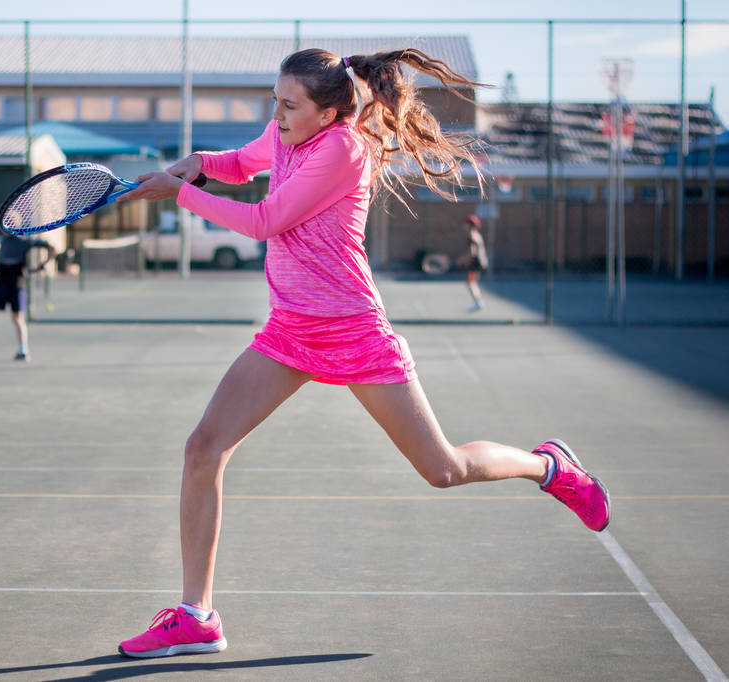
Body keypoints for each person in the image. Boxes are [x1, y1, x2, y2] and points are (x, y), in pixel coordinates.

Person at [113, 48, 610, 659]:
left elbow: (267, 220)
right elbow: (244, 161)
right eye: (276, 100)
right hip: (290, 329)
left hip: (352, 328)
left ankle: (552, 468)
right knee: (204, 448)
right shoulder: (289, 131)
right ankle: (196, 616)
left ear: (328, 111)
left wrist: (179, 194)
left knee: (443, 469)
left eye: (290, 105)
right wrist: (198, 165)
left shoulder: (344, 150)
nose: (279, 113)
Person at [0, 234, 53, 363]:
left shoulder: (24, 241)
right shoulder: (5, 241)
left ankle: (22, 350)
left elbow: (51, 248)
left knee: (16, 318)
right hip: (4, 281)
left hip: (15, 282)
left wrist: (42, 265)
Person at [455, 214, 488, 312]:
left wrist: (461, 260)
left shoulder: (472, 236)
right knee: (471, 283)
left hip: (476, 264)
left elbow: (472, 253)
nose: (464, 226)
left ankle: (478, 302)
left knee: (471, 283)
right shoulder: (476, 234)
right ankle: (478, 302)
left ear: (470, 225)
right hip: (479, 263)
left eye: (466, 224)